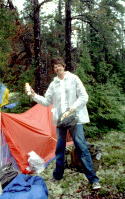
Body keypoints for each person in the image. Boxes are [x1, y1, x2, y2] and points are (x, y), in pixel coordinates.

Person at [26, 57, 101, 190]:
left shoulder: (74, 79)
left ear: (64, 66)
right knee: (59, 149)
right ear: (54, 69)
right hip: (60, 120)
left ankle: (94, 180)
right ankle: (58, 175)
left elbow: (84, 97)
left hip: (74, 118)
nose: (57, 68)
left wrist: (73, 109)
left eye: (59, 65)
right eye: (55, 67)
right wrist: (33, 95)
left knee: (82, 147)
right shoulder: (53, 84)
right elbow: (47, 102)